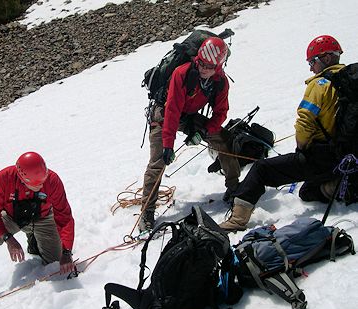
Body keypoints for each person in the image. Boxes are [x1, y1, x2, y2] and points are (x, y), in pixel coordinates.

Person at [219, 35, 345, 231]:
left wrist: (302, 148)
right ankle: (342, 184)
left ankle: (237, 220)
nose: (311, 67)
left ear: (327, 58)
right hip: (348, 156)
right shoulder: (350, 80)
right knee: (307, 191)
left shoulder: (320, 85)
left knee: (261, 169)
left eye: (313, 61)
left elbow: (305, 122)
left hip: (323, 156)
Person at [140, 37, 240, 231]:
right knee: (158, 161)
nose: (203, 69)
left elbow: (221, 113)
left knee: (223, 139)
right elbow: (172, 111)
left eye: (209, 66)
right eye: (201, 63)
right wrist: (168, 145)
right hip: (164, 114)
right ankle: (147, 210)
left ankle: (234, 187)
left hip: (189, 116)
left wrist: (204, 130)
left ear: (218, 66)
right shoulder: (182, 73)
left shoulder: (220, 82)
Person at [0, 152, 75, 304]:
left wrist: (66, 251)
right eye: (36, 185)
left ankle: (34, 240)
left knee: (54, 260)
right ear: (22, 178)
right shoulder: (3, 179)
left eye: (42, 182)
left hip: (43, 217)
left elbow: (64, 217)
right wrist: (8, 239)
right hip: (12, 217)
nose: (41, 186)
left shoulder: (53, 180)